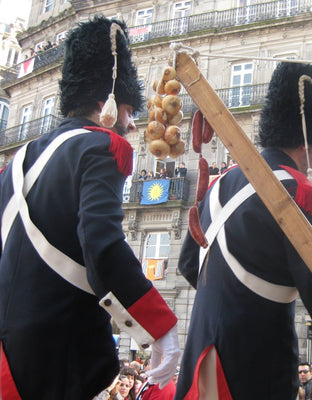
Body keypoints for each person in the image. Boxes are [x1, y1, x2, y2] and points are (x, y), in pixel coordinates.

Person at [0, 16, 181, 399]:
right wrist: (159, 326)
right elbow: (101, 242)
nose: (132, 126)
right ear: (109, 104)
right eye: (131, 111)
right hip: (55, 361)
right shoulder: (100, 146)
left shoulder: (14, 164)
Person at [176, 62, 312, 399]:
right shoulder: (300, 189)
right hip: (255, 362)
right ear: (307, 138)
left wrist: (233, 295)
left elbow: (187, 263)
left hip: (202, 352)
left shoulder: (221, 182)